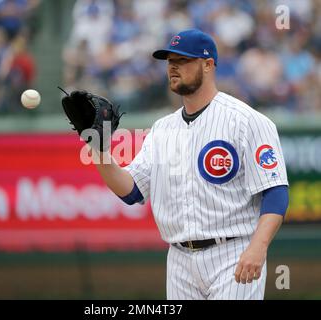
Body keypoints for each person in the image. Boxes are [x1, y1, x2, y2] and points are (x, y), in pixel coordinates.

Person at [90, 29, 289, 300]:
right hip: (179, 261)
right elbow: (131, 191)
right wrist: (99, 149)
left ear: (208, 65)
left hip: (232, 253)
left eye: (183, 60)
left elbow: (276, 192)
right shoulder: (162, 128)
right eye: (170, 61)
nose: (173, 67)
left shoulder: (247, 121)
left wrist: (258, 247)